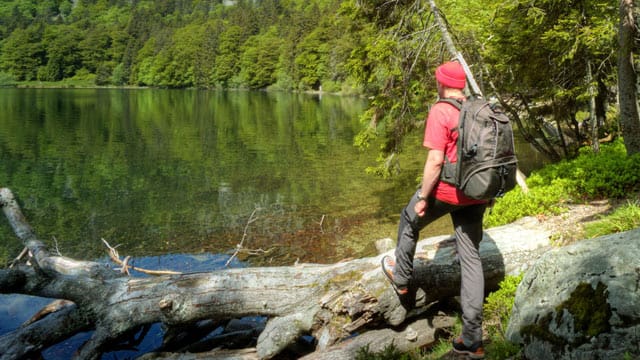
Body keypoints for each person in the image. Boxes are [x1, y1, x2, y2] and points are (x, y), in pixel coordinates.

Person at [381, 61, 488, 359]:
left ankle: (401, 280)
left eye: (437, 80)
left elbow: (435, 162)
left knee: (408, 218)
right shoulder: (478, 108)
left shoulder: (441, 110)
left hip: (448, 191)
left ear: (442, 83)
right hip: (477, 192)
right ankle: (472, 340)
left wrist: (423, 197)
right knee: (471, 258)